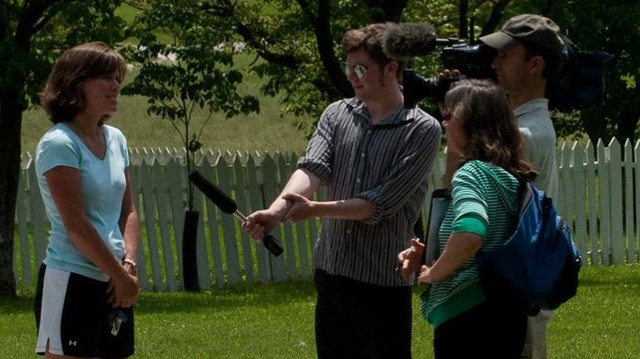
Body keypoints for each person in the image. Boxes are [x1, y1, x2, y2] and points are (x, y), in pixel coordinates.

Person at [243, 23, 442, 359]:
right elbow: (312, 168)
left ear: (392, 69)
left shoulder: (423, 130)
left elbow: (383, 203)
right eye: (349, 67)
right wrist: (278, 212)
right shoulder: (337, 114)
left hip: (382, 281)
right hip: (332, 273)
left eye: (361, 68)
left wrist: (314, 209)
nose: (352, 75)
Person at [398, 79, 537, 358]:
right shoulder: (509, 176)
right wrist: (432, 255)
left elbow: (471, 232)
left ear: (471, 121)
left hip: (467, 314)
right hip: (508, 308)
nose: (443, 124)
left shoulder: (470, 173)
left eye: (449, 115)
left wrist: (434, 273)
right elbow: (494, 239)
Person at [34, 42, 140, 358]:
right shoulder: (59, 144)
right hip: (71, 280)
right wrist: (120, 277)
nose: (115, 85)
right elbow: (75, 224)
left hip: (115, 282)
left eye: (117, 77)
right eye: (105, 77)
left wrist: (128, 266)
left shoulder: (116, 139)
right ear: (76, 83)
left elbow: (128, 210)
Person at [479, 13, 565, 359]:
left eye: (505, 55)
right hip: (512, 283)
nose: (495, 63)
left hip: (516, 288)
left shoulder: (526, 134)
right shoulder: (522, 125)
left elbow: (465, 192)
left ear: (535, 64)